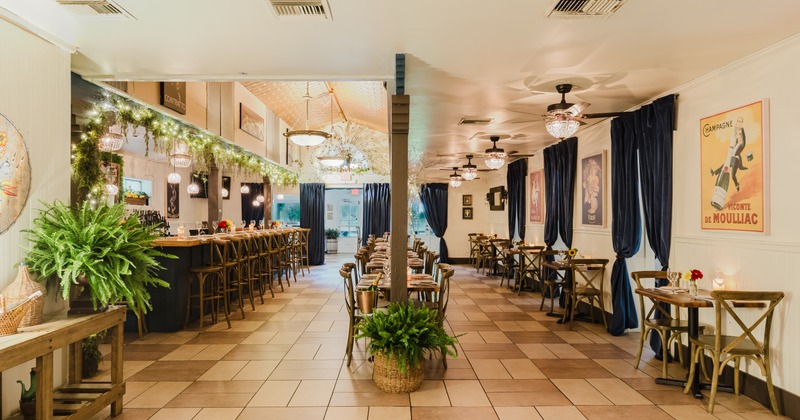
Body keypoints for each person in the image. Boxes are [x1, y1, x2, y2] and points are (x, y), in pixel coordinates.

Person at [711, 116, 748, 191]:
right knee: (723, 165)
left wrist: (739, 133)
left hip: (735, 161)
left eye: (740, 122)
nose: (738, 123)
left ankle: (737, 184)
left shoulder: (741, 135)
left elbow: (741, 142)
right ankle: (714, 172)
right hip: (733, 158)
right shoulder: (735, 142)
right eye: (738, 121)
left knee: (733, 176)